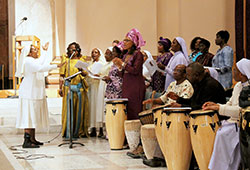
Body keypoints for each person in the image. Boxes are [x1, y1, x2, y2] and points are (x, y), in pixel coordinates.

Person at [142, 64, 194, 167]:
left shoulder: (187, 86)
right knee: (158, 130)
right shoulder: (172, 84)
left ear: (185, 74)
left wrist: (172, 104)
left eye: (178, 71)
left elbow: (183, 104)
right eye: (174, 70)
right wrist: (152, 100)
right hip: (166, 113)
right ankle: (159, 157)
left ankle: (161, 158)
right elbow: (162, 99)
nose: (174, 72)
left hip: (178, 116)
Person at [202, 58, 250, 170]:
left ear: (242, 74)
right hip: (232, 121)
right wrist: (217, 104)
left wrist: (219, 108)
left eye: (235, 70)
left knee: (223, 134)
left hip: (242, 124)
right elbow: (230, 103)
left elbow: (241, 111)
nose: (233, 72)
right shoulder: (238, 86)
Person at [16, 43, 64, 148]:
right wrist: (56, 66)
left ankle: (32, 139)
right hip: (29, 92)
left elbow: (41, 62)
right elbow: (40, 68)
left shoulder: (32, 60)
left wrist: (45, 51)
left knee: (33, 115)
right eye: (34, 50)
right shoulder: (28, 61)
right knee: (29, 116)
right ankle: (27, 140)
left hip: (34, 92)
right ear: (29, 52)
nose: (37, 51)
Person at [113, 28, 146, 120]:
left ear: (134, 42)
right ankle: (128, 132)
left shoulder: (138, 54)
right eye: (124, 40)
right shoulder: (125, 55)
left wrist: (122, 64)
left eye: (127, 40)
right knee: (127, 109)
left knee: (134, 109)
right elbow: (122, 74)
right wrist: (119, 66)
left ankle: (136, 132)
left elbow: (135, 70)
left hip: (135, 85)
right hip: (126, 84)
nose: (124, 42)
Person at [59, 42, 89, 138]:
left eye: (75, 49)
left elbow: (85, 74)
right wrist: (60, 88)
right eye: (71, 49)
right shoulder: (66, 60)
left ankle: (79, 131)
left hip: (79, 87)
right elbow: (61, 75)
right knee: (69, 110)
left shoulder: (82, 59)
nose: (73, 51)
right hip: (68, 87)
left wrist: (81, 70)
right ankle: (68, 131)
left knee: (79, 110)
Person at [95, 47, 114, 138]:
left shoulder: (113, 64)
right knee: (102, 106)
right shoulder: (106, 64)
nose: (106, 55)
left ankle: (109, 131)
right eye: (105, 54)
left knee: (106, 107)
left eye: (108, 54)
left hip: (108, 86)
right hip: (102, 85)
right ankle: (105, 129)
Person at [87, 48, 106, 137]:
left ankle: (101, 129)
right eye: (92, 52)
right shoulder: (91, 64)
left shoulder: (102, 64)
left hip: (98, 87)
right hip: (91, 87)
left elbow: (103, 74)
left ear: (99, 54)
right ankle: (93, 128)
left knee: (98, 107)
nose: (93, 54)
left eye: (96, 52)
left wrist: (98, 76)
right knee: (92, 108)